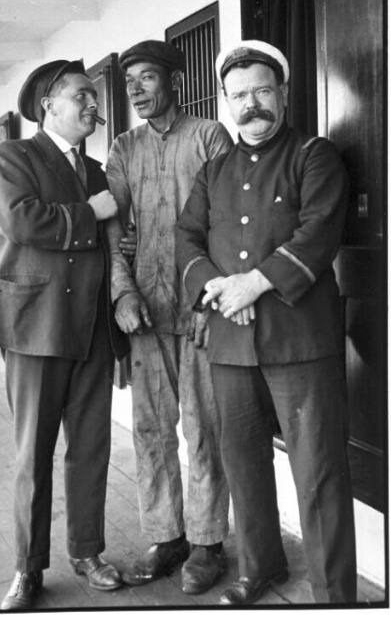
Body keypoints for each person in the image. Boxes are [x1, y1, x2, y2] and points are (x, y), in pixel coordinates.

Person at [176, 40, 356, 605]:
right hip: (231, 342)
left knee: (318, 471)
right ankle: (261, 568)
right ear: (225, 103)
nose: (250, 104)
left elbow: (319, 231)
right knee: (243, 464)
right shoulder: (214, 170)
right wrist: (219, 286)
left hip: (301, 342)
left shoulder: (315, 155)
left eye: (261, 91)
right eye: (238, 95)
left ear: (282, 92)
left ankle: (335, 596)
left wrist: (254, 283)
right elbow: (187, 238)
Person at [0, 59, 129, 610]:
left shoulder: (95, 170)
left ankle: (87, 553)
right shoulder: (12, 156)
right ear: (49, 105)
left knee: (90, 450)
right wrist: (90, 212)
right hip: (34, 328)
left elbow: (111, 249)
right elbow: (23, 221)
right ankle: (27, 567)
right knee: (32, 455)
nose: (94, 105)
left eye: (94, 97)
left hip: (91, 331)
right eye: (82, 96)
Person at [106, 40, 232, 595]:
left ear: (174, 81)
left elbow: (230, 224)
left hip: (198, 309)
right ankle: (167, 536)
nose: (135, 89)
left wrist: (211, 301)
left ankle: (208, 544)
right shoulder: (123, 147)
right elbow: (110, 231)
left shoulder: (208, 136)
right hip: (145, 313)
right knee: (152, 431)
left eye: (147, 77)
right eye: (130, 80)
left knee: (204, 429)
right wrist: (121, 294)